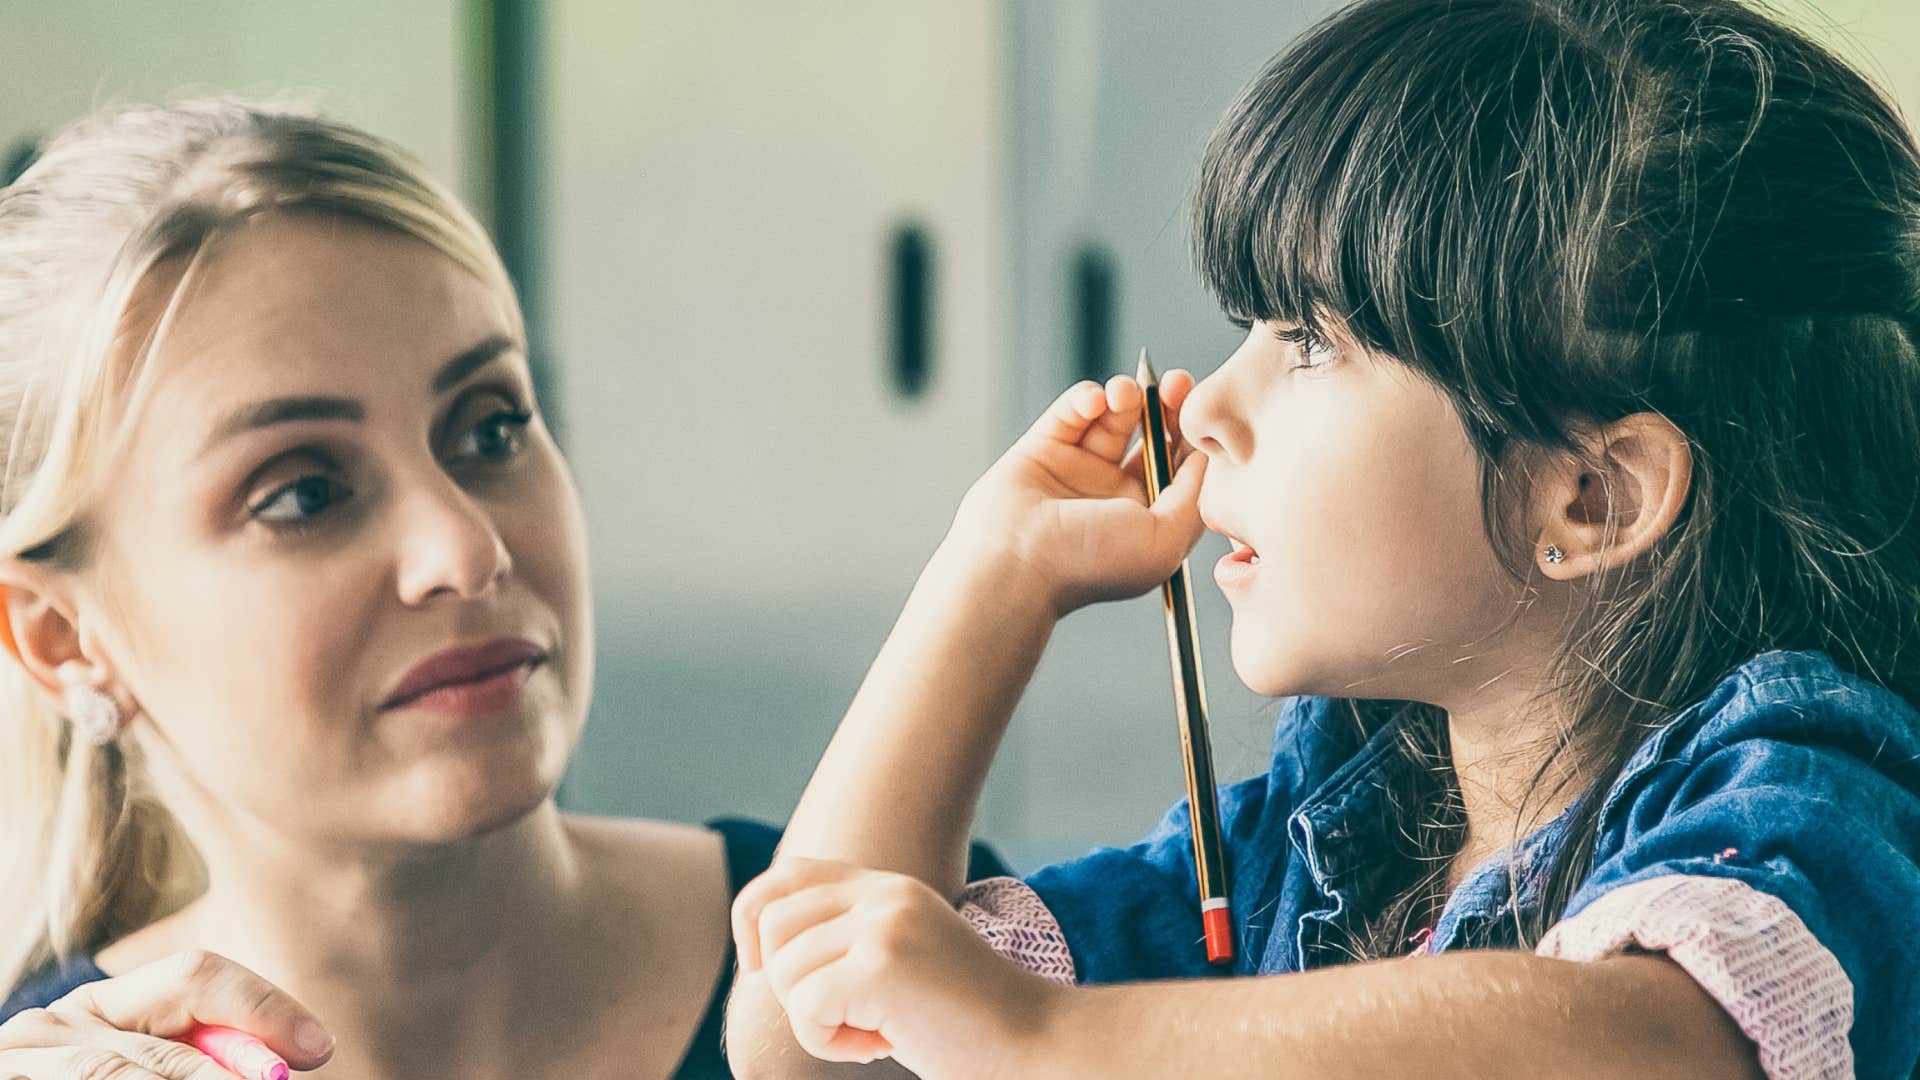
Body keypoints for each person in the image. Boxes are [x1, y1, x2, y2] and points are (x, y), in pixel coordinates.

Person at [726, 0, 1920, 1076]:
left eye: (1309, 340)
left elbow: (1659, 1040)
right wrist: (990, 579)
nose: (1199, 409)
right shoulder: (1321, 818)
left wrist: (1042, 1036)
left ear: (1590, 499)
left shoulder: (1804, 779)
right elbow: (802, 1042)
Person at [0, 98, 969, 1080]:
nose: (465, 549)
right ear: (58, 635)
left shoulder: (930, 952)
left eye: (491, 429)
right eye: (304, 493)